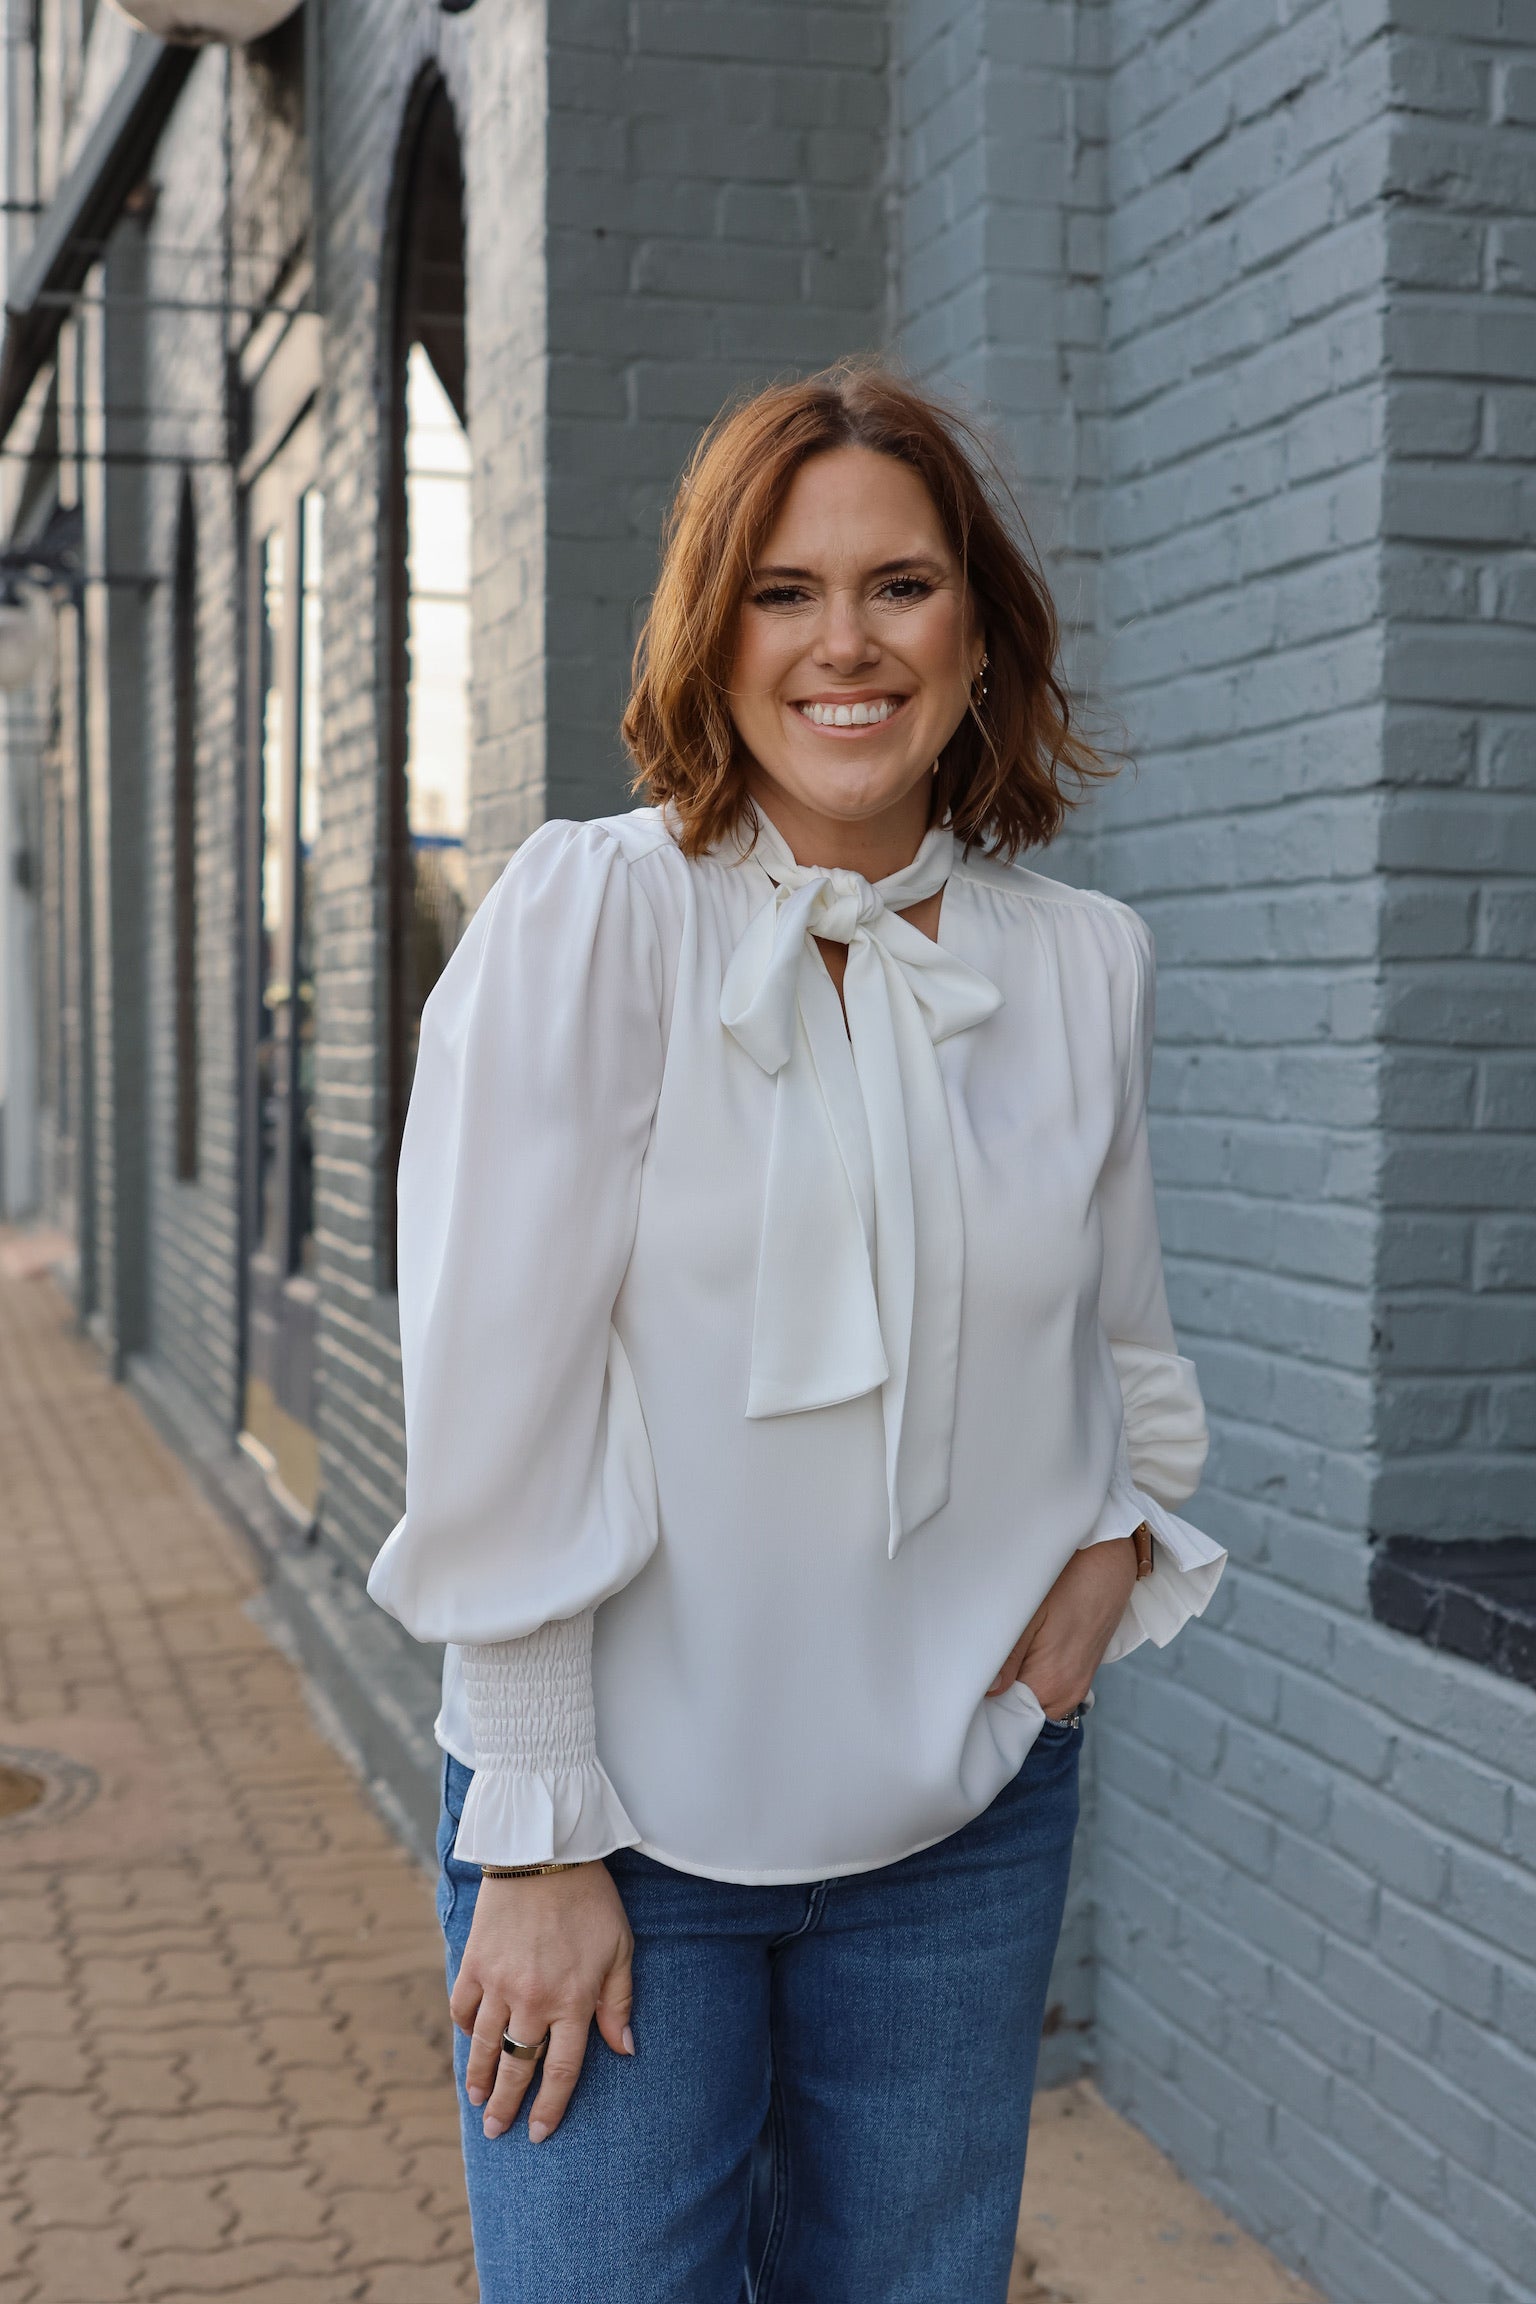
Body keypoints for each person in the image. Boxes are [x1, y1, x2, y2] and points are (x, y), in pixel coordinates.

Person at [367, 362, 1224, 2304]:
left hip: (963, 1828)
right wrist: (534, 1833)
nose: (846, 642)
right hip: (623, 1832)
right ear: (712, 632)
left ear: (979, 630)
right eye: (782, 590)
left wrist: (1112, 1561)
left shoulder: (1081, 965)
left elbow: (1129, 1345)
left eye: (902, 586)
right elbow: (500, 1403)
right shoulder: (596, 917)